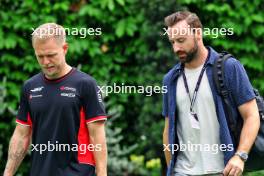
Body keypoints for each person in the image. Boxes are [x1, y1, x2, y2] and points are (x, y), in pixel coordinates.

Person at [162, 11, 260, 176]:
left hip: (222, 170)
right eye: (172, 42)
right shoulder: (170, 79)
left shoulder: (228, 68)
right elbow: (168, 129)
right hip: (182, 171)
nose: (176, 48)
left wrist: (240, 156)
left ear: (198, 33)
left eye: (181, 40)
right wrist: (170, 168)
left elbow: (251, 115)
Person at [3, 23, 107, 176]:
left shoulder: (85, 84)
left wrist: (102, 173)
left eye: (51, 55)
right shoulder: (30, 87)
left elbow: (97, 135)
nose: (45, 62)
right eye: (40, 56)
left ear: (64, 49)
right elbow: (21, 135)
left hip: (78, 172)